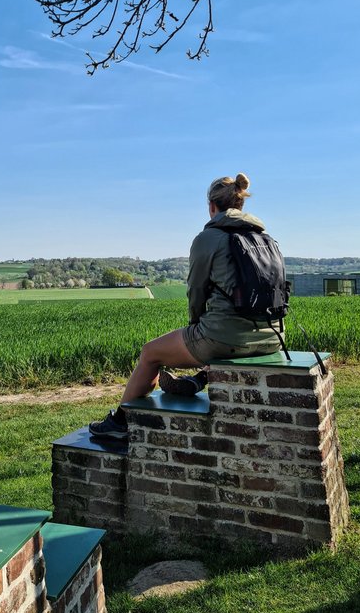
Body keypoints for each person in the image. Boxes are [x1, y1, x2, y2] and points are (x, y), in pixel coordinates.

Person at [89, 173, 284, 440]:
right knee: (217, 340)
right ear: (241, 205)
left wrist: (196, 324)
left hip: (223, 338)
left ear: (212, 207)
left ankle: (121, 423)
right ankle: (197, 380)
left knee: (150, 353)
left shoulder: (209, 238)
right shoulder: (267, 239)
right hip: (273, 337)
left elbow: (196, 291)